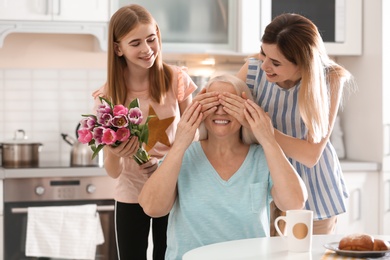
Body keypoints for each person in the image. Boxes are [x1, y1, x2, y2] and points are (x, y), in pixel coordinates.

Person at [138, 74, 308, 260]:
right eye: (213, 104)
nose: (221, 111)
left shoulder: (262, 157)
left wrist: (267, 137)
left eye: (230, 104)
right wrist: (180, 142)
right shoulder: (183, 156)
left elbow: (295, 203)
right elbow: (152, 208)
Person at [219, 13, 355, 235]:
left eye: (275, 63)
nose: (265, 66)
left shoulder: (329, 79)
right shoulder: (254, 69)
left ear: (303, 64)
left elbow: (311, 155)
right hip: (262, 184)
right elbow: (223, 112)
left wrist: (263, 131)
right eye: (263, 53)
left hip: (313, 193)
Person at [92, 4, 197, 260]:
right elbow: (112, 171)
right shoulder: (107, 98)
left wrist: (166, 163)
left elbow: (194, 136)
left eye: (151, 39)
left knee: (169, 255)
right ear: (118, 48)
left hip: (173, 190)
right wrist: (116, 152)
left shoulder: (176, 79)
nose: (147, 49)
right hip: (130, 194)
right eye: (136, 43)